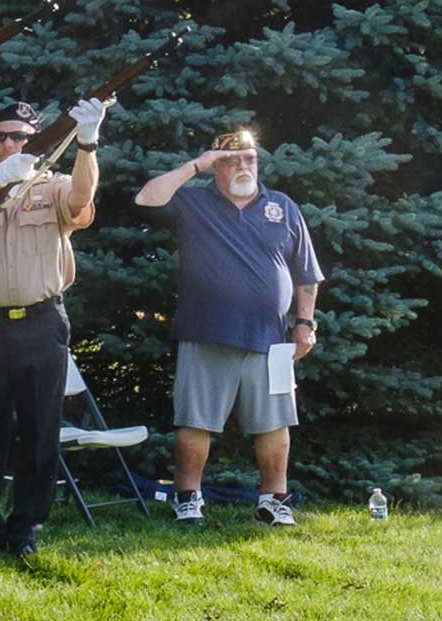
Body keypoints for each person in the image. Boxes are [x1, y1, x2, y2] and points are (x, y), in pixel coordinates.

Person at [0, 98, 106, 562]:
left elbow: (81, 202)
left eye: (21, 137)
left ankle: (26, 527)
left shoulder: (52, 186)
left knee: (40, 430)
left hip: (41, 321)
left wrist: (87, 145)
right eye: (2, 136)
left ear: (35, 143)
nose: (10, 143)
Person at [132, 130, 324, 526]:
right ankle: (188, 498)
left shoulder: (283, 207)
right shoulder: (193, 202)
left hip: (271, 338)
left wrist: (304, 322)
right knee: (196, 420)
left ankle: (273, 501)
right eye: (232, 161)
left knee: (276, 422)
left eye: (249, 160)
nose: (243, 167)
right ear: (215, 167)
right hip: (206, 331)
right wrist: (195, 165)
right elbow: (146, 198)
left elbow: (307, 274)